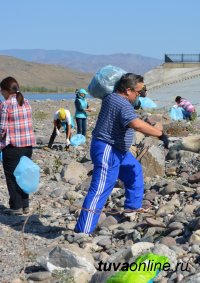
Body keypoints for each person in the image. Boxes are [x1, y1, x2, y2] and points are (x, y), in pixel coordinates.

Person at [74, 73, 169, 234]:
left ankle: (131, 209)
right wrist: (159, 134)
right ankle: (83, 231)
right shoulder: (121, 103)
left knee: (134, 171)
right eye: (138, 92)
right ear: (128, 90)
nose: (139, 95)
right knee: (100, 189)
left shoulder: (113, 98)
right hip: (107, 149)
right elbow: (136, 124)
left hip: (118, 150)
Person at [0, 77, 35, 215]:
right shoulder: (25, 102)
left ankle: (16, 207)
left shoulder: (5, 105)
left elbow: (2, 129)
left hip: (12, 146)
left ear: (6, 90)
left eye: (1, 90)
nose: (1, 93)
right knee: (23, 174)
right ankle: (25, 205)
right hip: (27, 145)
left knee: (11, 176)